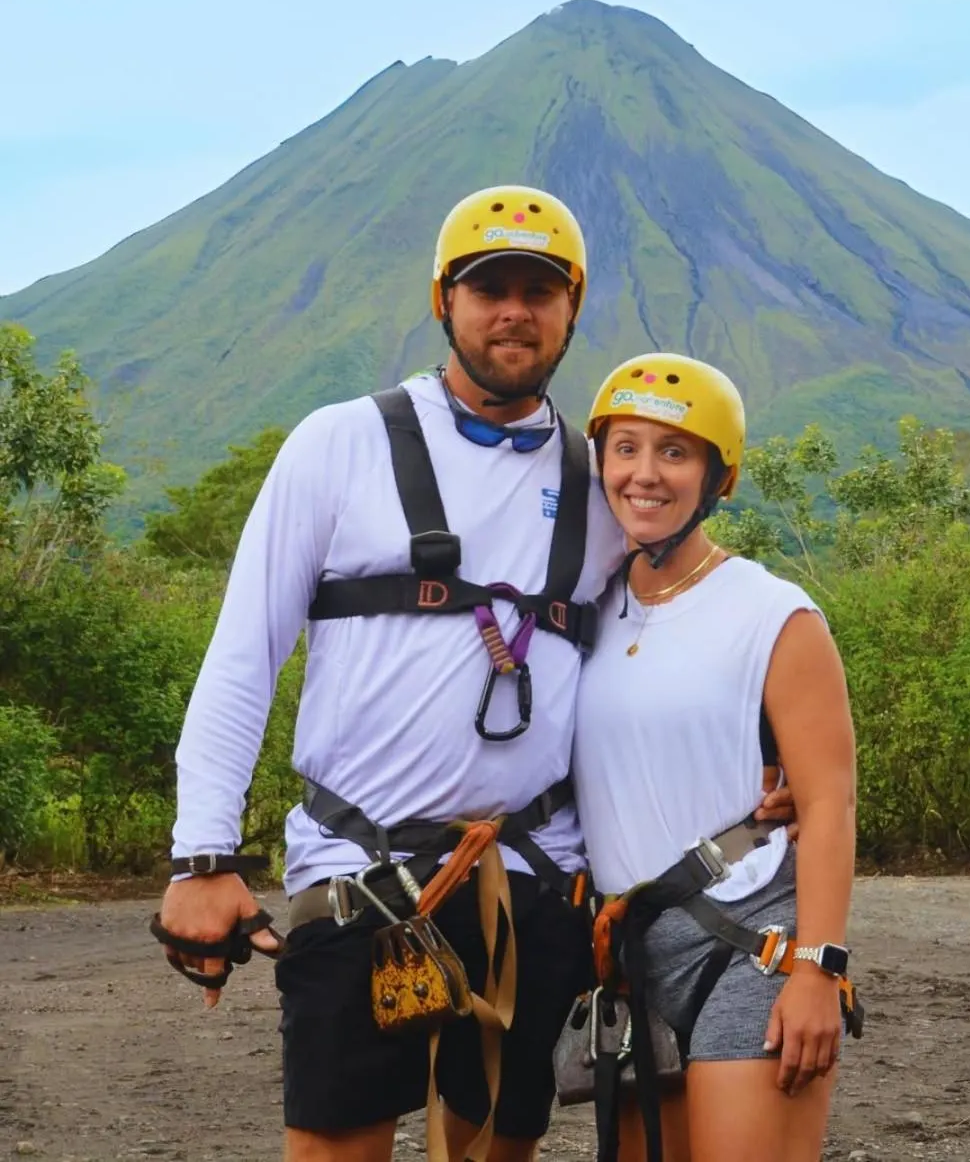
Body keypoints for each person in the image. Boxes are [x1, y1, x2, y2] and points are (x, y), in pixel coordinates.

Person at [151, 189, 796, 1162]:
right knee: (337, 1149)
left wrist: (762, 745)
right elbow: (245, 651)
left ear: (571, 309)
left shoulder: (606, 480)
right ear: (442, 300)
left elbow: (670, 631)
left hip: (534, 884)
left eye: (539, 291)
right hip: (356, 868)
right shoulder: (340, 444)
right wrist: (204, 857)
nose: (513, 311)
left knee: (500, 1149)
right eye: (488, 287)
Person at [572, 352, 858, 1162]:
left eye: (674, 452)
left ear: (717, 475)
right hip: (626, 953)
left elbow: (830, 803)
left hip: (749, 939)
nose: (645, 475)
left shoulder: (774, 614)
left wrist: (818, 971)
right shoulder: (586, 609)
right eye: (625, 448)